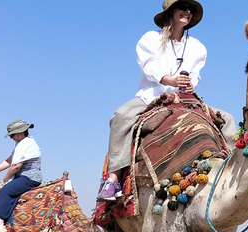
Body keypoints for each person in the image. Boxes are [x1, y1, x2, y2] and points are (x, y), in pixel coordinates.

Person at [97, 0, 236, 201]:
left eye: (190, 9)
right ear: (171, 12)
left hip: (185, 99)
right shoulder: (150, 39)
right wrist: (169, 79)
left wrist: (191, 84)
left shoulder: (198, 47)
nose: (187, 11)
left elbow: (196, 74)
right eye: (183, 7)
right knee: (121, 115)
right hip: (152, 96)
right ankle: (113, 179)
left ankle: (229, 174)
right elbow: (149, 65)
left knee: (228, 119)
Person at [0, 121, 43, 232]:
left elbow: (16, 166)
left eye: (12, 135)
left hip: (29, 177)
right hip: (22, 177)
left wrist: (6, 178)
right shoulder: (21, 143)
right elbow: (10, 160)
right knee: (10, 191)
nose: (11, 138)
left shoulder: (26, 143)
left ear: (20, 132)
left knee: (6, 190)